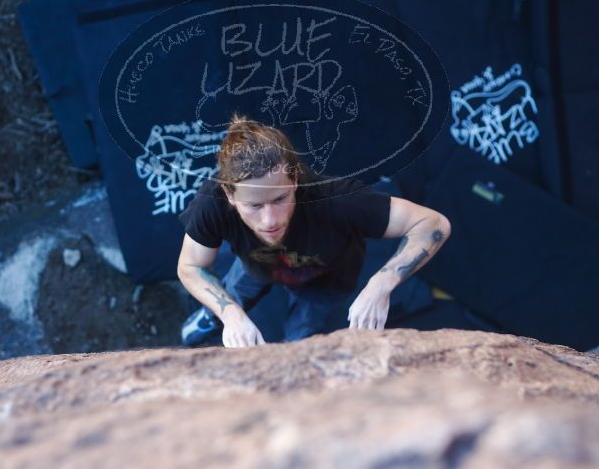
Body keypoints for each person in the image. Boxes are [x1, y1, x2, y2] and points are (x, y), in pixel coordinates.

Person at [177, 114, 450, 347]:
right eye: (254, 206)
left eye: (280, 199)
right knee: (232, 295)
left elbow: (433, 224)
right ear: (229, 194)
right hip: (254, 264)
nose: (270, 220)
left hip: (324, 282)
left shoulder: (335, 200)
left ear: (294, 180)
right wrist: (229, 314)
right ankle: (213, 315)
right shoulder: (212, 199)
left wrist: (382, 284)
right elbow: (190, 266)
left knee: (300, 342)